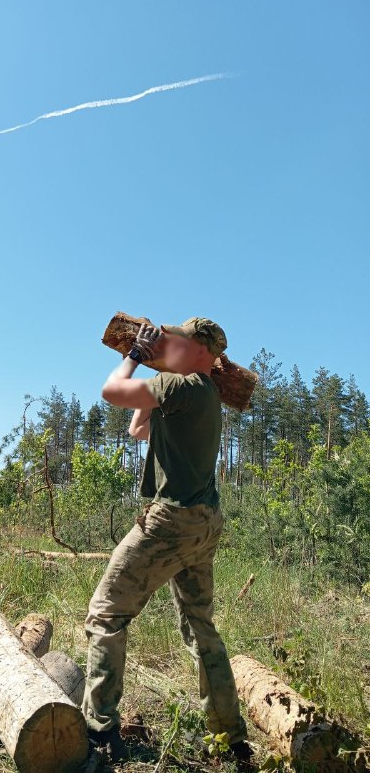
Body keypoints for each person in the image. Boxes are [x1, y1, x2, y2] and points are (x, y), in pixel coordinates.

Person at [82, 317, 251, 763]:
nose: (168, 343)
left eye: (177, 340)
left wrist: (134, 356)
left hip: (171, 522)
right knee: (200, 626)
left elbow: (111, 392)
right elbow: (139, 429)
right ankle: (230, 736)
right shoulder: (201, 393)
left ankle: (99, 730)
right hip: (204, 523)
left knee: (106, 614)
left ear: (200, 351)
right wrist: (159, 371)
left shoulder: (187, 387)